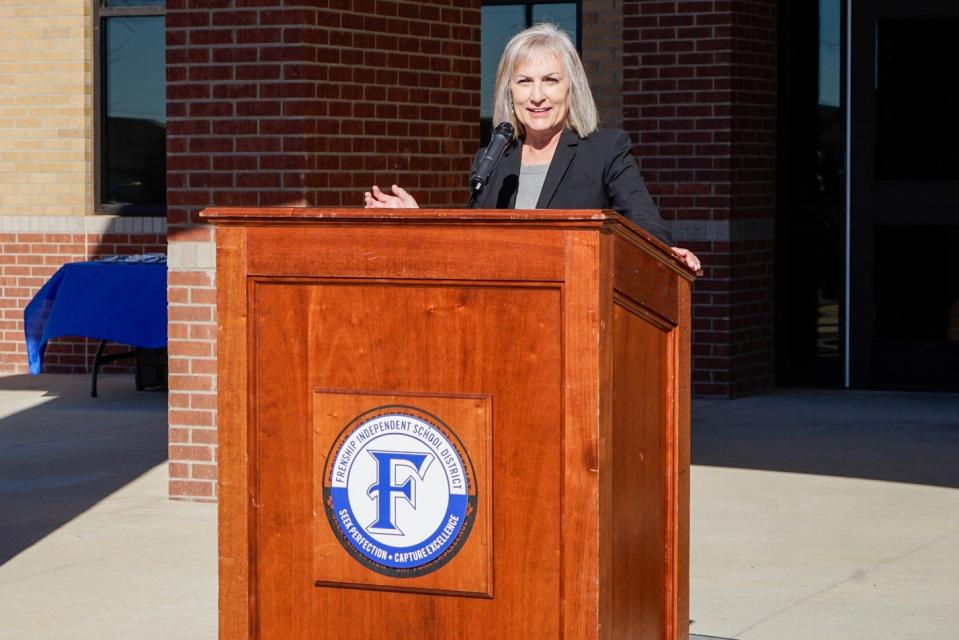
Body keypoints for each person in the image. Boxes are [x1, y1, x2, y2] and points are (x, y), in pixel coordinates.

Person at [364, 23, 701, 272]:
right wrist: (416, 220)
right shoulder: (493, 158)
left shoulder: (604, 152)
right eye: (524, 82)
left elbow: (646, 225)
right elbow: (471, 245)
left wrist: (666, 252)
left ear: (572, 88)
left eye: (550, 81)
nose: (537, 96)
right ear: (509, 91)